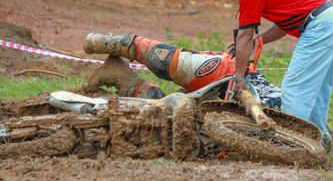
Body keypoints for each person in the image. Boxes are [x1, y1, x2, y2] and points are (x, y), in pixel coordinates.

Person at [203, 0, 333, 150]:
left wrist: (238, 77)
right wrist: (257, 40)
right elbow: (284, 24)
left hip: (320, 25)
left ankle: (291, 145)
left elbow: (244, 35)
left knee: (295, 89)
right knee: (317, 89)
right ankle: (318, 139)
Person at [82, 32, 282, 110]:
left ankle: (123, 78)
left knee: (165, 111)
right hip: (229, 75)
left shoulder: (299, 128)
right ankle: (113, 42)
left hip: (224, 108)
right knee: (170, 63)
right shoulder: (298, 99)